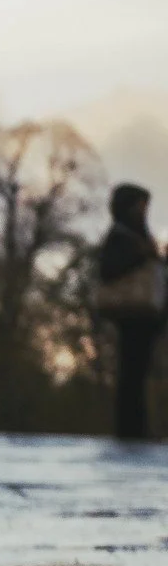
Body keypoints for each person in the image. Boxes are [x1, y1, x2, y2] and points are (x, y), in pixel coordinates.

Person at [97, 183, 165, 442]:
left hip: (145, 316)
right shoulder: (121, 237)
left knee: (138, 373)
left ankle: (137, 427)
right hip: (131, 315)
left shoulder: (136, 236)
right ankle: (130, 430)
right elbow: (110, 270)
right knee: (131, 373)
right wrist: (143, 255)